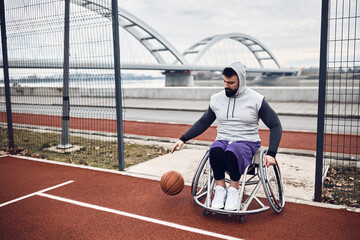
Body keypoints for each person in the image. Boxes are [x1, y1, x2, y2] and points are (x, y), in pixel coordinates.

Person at [171, 61, 282, 211]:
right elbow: (204, 122)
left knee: (232, 150)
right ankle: (220, 189)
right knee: (215, 149)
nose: (226, 85)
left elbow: (275, 125)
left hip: (247, 142)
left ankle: (234, 190)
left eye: (231, 83)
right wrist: (183, 138)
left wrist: (272, 153)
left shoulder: (256, 99)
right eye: (224, 81)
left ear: (241, 82)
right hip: (223, 139)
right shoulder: (216, 99)